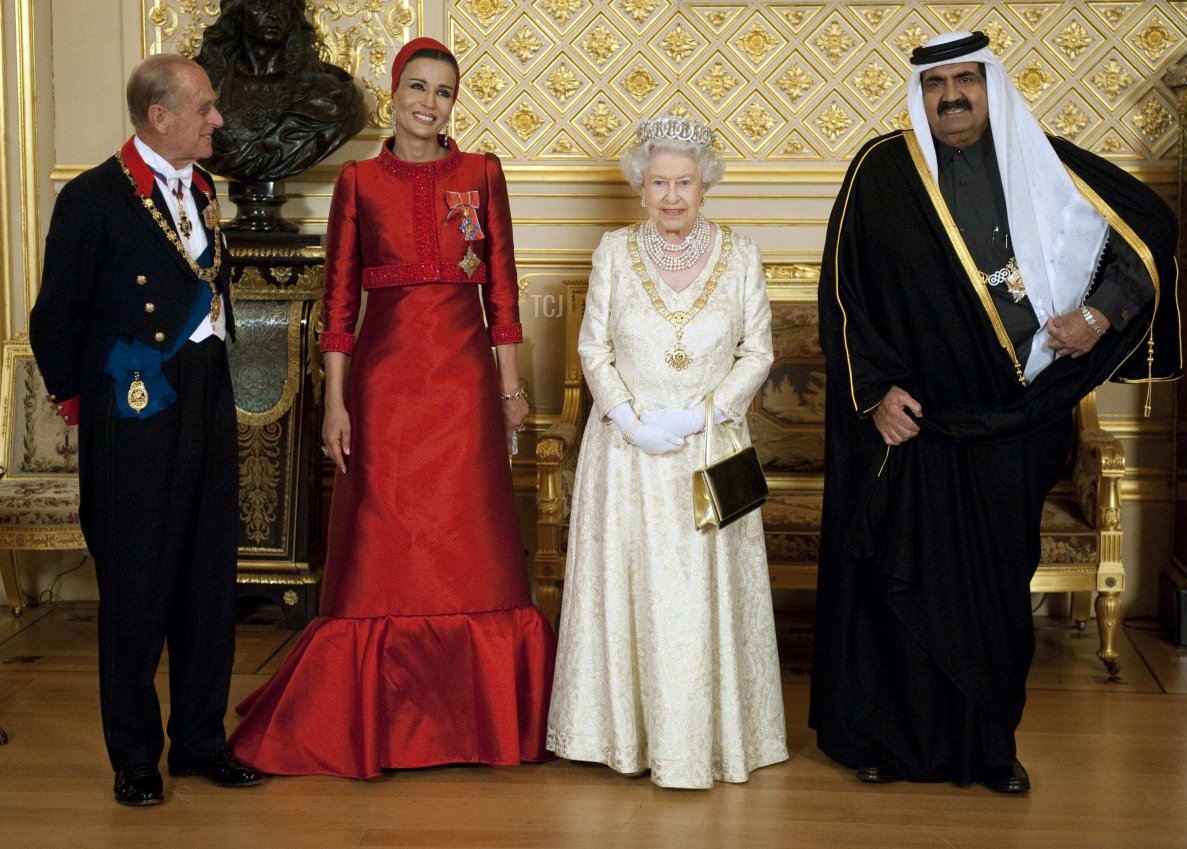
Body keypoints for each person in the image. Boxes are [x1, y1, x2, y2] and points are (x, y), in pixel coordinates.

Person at [811, 31, 1181, 794]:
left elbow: (1148, 230)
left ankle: (989, 747)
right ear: (920, 93)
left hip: (1014, 422)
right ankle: (888, 739)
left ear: (991, 86)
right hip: (914, 426)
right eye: (937, 83)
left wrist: (1099, 316)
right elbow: (843, 294)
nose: (952, 96)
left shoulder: (1045, 164)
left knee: (994, 592)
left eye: (966, 81)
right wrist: (875, 391)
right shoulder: (881, 172)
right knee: (896, 582)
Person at [226, 38, 556, 778]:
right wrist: (336, 405)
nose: (428, 103)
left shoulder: (482, 174)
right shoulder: (357, 182)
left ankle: (482, 724)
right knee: (386, 547)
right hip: (383, 385)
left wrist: (509, 390)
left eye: (443, 92)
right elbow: (339, 302)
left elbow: (501, 290)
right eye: (417, 87)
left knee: (469, 545)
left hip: (466, 385)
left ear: (452, 106)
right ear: (394, 92)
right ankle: (373, 725)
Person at [29, 54, 262, 806]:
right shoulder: (94, 199)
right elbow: (54, 318)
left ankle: (199, 739)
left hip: (205, 394)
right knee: (136, 584)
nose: (217, 120)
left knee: (206, 574)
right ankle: (135, 755)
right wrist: (85, 404)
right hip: (134, 404)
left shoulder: (201, 188)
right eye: (205, 108)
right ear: (160, 116)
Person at [546, 116, 789, 789]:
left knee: (703, 597)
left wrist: (707, 411)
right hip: (629, 452)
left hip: (712, 451)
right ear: (641, 186)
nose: (673, 196)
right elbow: (593, 347)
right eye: (660, 182)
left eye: (685, 181)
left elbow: (758, 351)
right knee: (634, 595)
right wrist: (628, 415)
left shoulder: (741, 253)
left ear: (704, 183)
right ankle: (625, 736)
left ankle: (713, 739)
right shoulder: (612, 250)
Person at [195, 0, 366, 181]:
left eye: (282, 4)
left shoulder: (330, 94)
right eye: (260, 4)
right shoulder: (202, 83)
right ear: (238, 13)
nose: (273, 14)